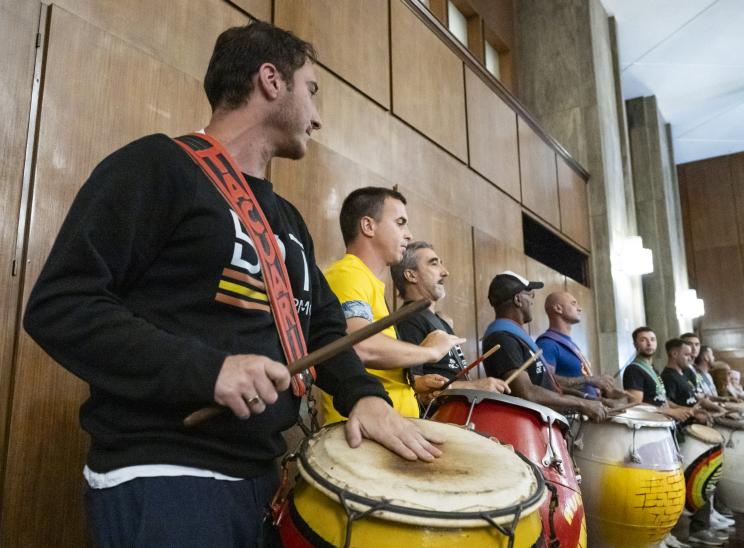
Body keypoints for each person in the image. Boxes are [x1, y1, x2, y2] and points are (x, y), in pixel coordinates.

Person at [22, 22, 443, 547]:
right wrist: (209, 369)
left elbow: (326, 328)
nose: (318, 115)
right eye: (310, 90)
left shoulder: (288, 220)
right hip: (165, 473)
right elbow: (60, 306)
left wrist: (363, 395)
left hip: (261, 478)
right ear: (271, 80)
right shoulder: (157, 167)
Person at [319, 188, 464, 423]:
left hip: (389, 431)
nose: (408, 234)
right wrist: (429, 352)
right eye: (400, 223)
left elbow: (378, 371)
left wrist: (416, 384)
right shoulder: (348, 274)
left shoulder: (369, 282)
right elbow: (359, 345)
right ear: (368, 226)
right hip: (363, 435)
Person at [391, 242, 509, 411]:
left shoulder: (438, 320)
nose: (445, 272)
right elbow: (411, 384)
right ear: (411, 275)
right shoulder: (408, 319)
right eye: (434, 263)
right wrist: (475, 387)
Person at [479, 272, 607, 421]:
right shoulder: (502, 338)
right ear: (518, 300)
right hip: (525, 428)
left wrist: (587, 399)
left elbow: (544, 384)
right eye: (530, 295)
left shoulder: (516, 336)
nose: (532, 302)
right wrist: (580, 404)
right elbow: (526, 392)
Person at [660, 339, 731, 546]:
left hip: (694, 433)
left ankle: (704, 523)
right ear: (674, 354)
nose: (691, 357)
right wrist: (692, 412)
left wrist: (704, 409)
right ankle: (694, 529)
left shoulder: (686, 375)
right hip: (683, 434)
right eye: (686, 354)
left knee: (704, 480)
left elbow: (694, 400)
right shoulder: (668, 376)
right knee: (695, 482)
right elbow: (668, 404)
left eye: (692, 354)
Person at [535, 292, 619, 398]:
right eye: (573, 303)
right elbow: (545, 381)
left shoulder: (570, 343)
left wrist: (608, 392)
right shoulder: (547, 344)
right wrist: (589, 380)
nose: (579, 308)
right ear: (558, 308)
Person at [621, 327, 691, 422]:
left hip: (662, 424)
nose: (649, 343)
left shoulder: (653, 368)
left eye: (652, 339)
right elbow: (635, 405)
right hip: (649, 428)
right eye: (643, 340)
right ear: (635, 344)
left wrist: (685, 409)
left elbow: (660, 399)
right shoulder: (634, 369)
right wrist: (669, 411)